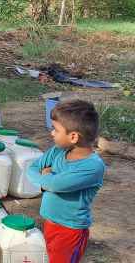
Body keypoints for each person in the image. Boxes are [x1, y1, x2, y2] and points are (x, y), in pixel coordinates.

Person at [26, 100, 105, 263]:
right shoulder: (58, 151)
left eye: (56, 129)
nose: (52, 133)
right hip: (50, 222)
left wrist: (46, 179)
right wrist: (47, 179)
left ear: (73, 136)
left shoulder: (93, 166)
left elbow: (55, 185)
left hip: (70, 231)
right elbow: (32, 168)